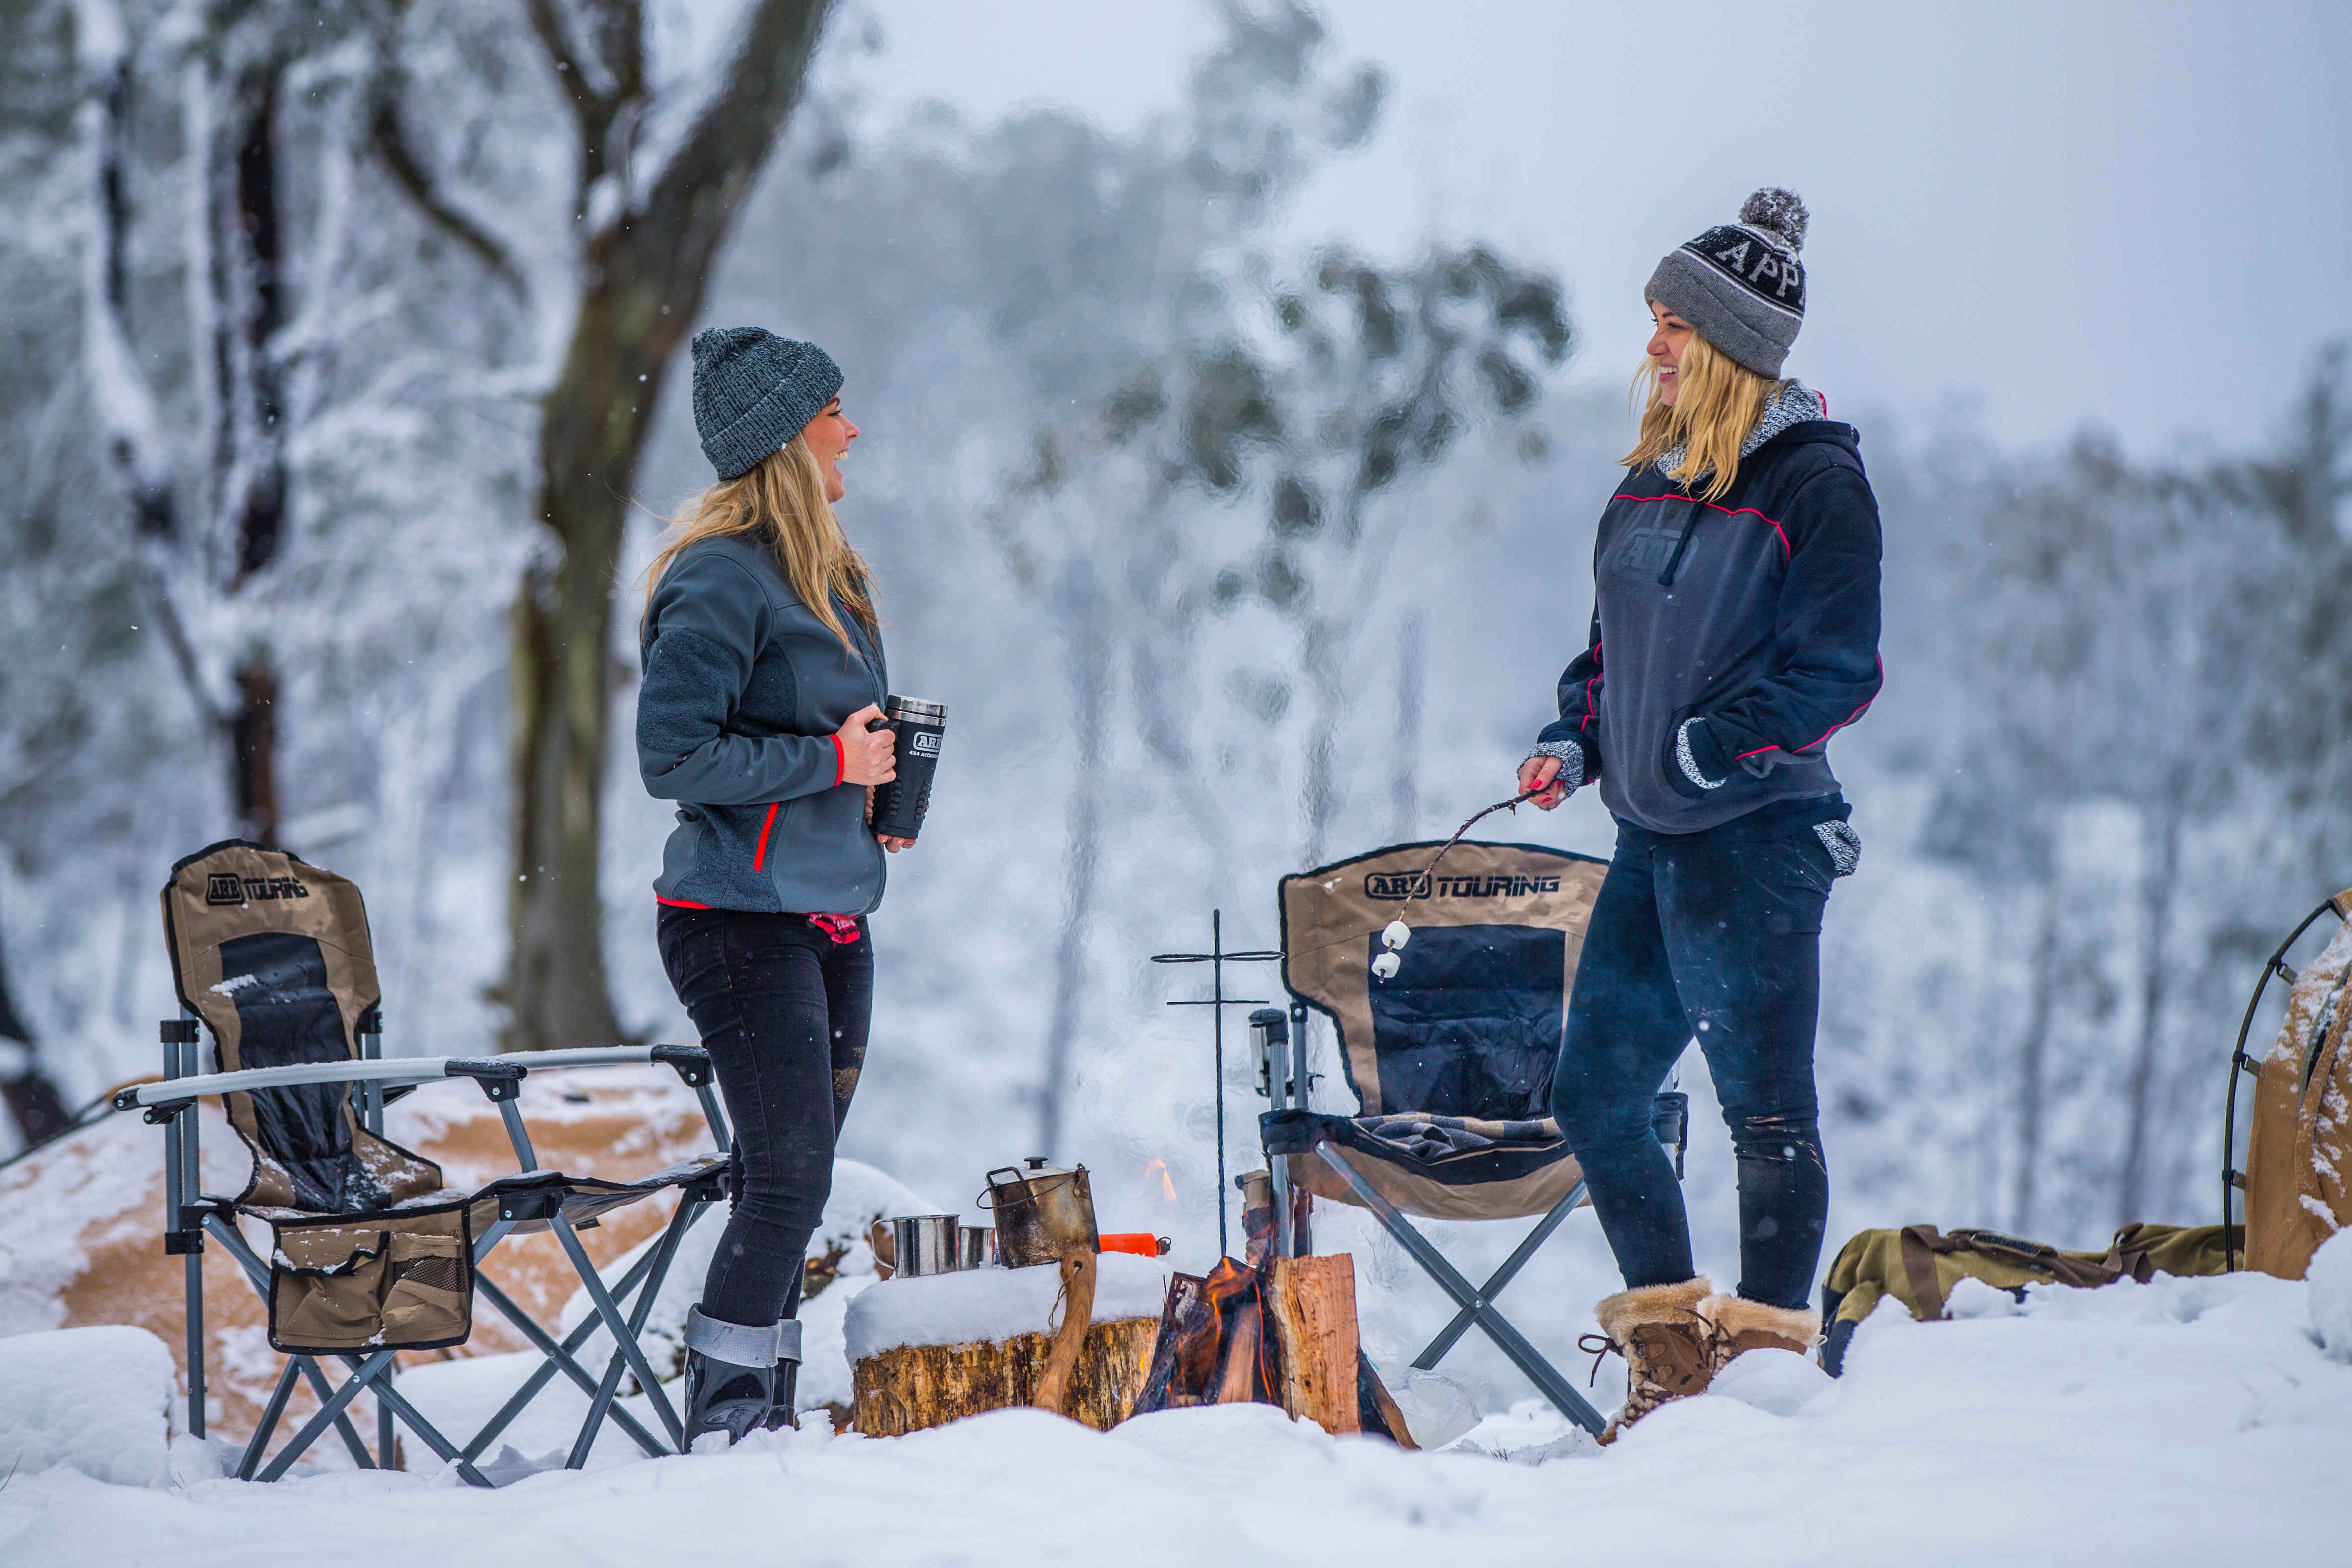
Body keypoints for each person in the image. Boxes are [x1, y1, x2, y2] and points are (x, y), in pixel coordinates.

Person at [1517, 189, 1882, 1438]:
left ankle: (1771, 1383)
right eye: (1655, 320)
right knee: (1596, 1097)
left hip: (1759, 844)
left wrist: (1707, 744)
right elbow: (1608, 656)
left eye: (1676, 326)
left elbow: (1839, 669)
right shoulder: (1650, 481)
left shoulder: (1816, 485)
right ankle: (1674, 1367)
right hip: (1650, 843)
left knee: (1765, 1115)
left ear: (1733, 346)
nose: (1655, 347)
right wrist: (1578, 736)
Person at [636, 326, 914, 1446]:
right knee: (790, 1179)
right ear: (788, 439)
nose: (854, 427)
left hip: (830, 916)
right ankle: (730, 1427)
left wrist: (873, 792)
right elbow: (675, 758)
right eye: (835, 409)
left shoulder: (828, 575)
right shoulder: (715, 575)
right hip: (735, 924)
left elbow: (819, 732)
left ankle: (766, 1416)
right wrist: (831, 764)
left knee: (785, 1177)